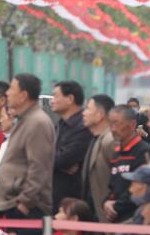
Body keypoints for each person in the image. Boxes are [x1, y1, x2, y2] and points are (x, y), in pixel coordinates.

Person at [0, 73, 55, 227]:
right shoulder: (24, 120)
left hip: (27, 208)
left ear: (23, 95)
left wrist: (25, 203)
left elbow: (39, 168)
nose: (7, 93)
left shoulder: (38, 123)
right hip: (12, 202)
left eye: (11, 89)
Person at [51, 81, 92, 212]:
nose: (52, 100)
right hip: (54, 194)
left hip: (72, 199)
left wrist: (55, 161)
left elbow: (63, 159)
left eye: (56, 96)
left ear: (70, 99)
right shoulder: (59, 124)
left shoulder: (83, 127)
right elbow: (47, 154)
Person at [103, 105, 149, 223]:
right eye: (111, 124)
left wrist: (116, 206)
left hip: (134, 218)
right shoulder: (117, 152)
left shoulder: (142, 151)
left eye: (117, 124)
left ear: (133, 124)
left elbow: (140, 188)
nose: (113, 129)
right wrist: (106, 202)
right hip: (115, 217)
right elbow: (112, 186)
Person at [81, 94, 115, 222]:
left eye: (88, 109)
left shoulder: (110, 140)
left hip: (105, 215)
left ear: (100, 114)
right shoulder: (95, 138)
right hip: (92, 212)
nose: (84, 113)